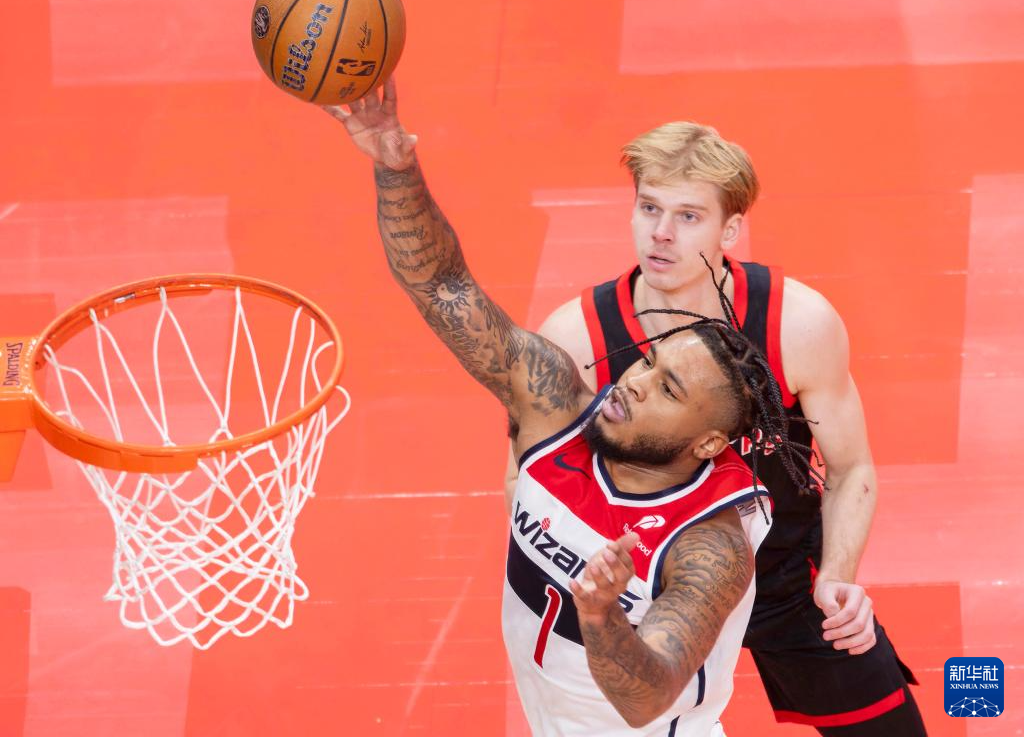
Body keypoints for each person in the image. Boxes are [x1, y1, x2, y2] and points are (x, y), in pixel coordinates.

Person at [324, 82, 818, 735]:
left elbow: (648, 698)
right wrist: (394, 164)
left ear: (706, 444)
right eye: (650, 364)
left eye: (669, 390)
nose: (635, 383)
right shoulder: (554, 408)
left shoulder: (709, 544)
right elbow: (442, 286)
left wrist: (602, 616)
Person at [503, 120, 926, 734]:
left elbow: (850, 466)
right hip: (646, 588)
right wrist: (587, 581)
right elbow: (524, 477)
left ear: (730, 230)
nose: (661, 233)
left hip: (784, 577)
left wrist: (837, 577)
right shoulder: (576, 338)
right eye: (649, 207)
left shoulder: (796, 322)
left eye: (688, 216)